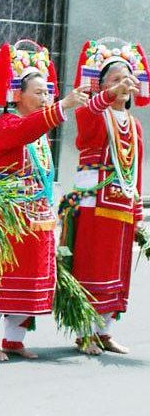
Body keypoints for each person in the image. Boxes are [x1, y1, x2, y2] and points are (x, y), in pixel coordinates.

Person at [0, 40, 88, 360]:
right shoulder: (8, 124)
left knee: (31, 274)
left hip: (36, 214)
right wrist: (62, 106)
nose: (45, 98)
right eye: (38, 92)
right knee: (1, 274)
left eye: (48, 92)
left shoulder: (38, 131)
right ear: (17, 94)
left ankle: (15, 338)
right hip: (7, 214)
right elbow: (29, 129)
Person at [63, 39, 146, 355]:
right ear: (100, 86)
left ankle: (104, 330)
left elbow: (135, 170)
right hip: (95, 204)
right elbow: (86, 131)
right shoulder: (91, 113)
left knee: (117, 269)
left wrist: (137, 215)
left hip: (122, 203)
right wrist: (108, 96)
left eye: (127, 79)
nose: (123, 84)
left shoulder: (135, 125)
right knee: (92, 267)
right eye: (115, 79)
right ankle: (85, 331)